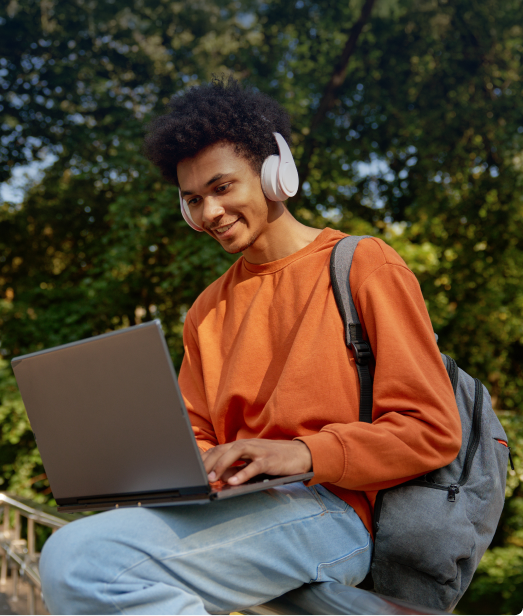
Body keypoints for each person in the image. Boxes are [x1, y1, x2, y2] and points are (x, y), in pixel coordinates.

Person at [39, 78, 462, 615]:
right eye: (192, 200)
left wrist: (304, 453)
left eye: (221, 188)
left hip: (334, 509)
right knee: (90, 551)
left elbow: (432, 429)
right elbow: (196, 432)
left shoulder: (364, 264)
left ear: (275, 174)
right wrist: (173, 465)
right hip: (239, 506)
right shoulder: (205, 310)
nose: (209, 213)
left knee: (83, 561)